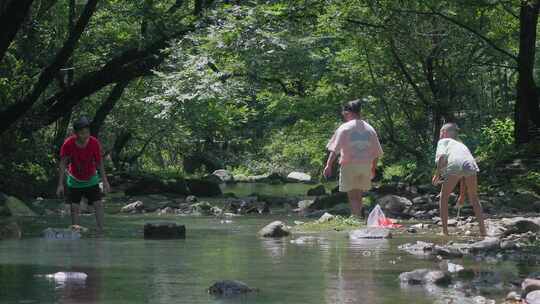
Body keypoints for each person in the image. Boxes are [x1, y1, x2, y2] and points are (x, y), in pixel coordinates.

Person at [324, 99, 383, 217]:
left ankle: (356, 218)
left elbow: (335, 149)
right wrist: (373, 168)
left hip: (349, 164)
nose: (344, 116)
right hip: (365, 165)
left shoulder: (344, 128)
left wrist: (328, 165)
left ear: (348, 112)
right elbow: (376, 153)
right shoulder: (370, 129)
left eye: (345, 114)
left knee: (352, 196)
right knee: (359, 194)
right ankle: (359, 217)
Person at [56, 117, 110, 235]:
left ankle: (101, 230)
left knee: (98, 204)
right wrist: (60, 184)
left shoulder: (94, 142)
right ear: (75, 134)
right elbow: (63, 163)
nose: (85, 136)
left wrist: (105, 182)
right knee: (75, 207)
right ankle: (75, 231)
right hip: (74, 179)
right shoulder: (68, 143)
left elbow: (99, 163)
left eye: (87, 132)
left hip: (91, 178)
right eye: (81, 133)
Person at [432, 123, 486, 237]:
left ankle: (445, 231)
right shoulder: (461, 144)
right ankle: (483, 231)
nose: (440, 135)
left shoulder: (443, 141)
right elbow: (462, 175)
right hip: (470, 163)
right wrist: (462, 196)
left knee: (443, 197)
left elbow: (441, 157)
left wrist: (437, 175)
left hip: (455, 164)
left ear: (444, 133)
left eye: (441, 133)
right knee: (474, 198)